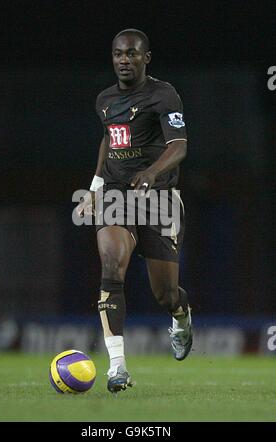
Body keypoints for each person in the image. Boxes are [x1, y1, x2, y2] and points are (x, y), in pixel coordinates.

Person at [77, 28, 192, 393]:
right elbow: (109, 139)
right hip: (116, 195)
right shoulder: (105, 99)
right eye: (117, 54)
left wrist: (151, 172)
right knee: (111, 266)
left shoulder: (163, 94)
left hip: (159, 198)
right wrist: (95, 187)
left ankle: (181, 316)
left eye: (131, 54)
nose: (123, 60)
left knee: (165, 294)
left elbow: (179, 146)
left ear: (146, 58)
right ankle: (117, 368)